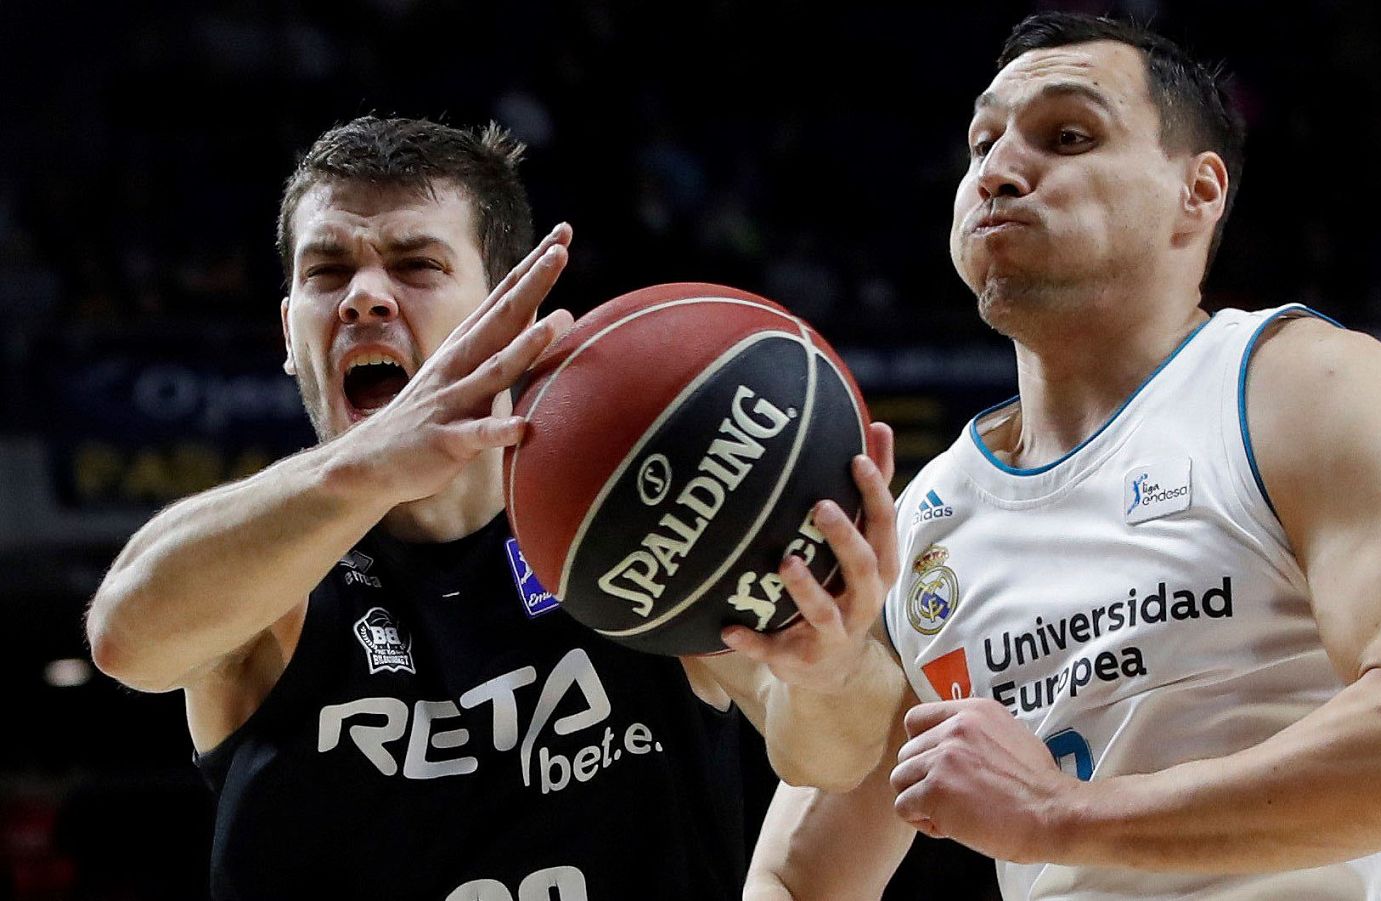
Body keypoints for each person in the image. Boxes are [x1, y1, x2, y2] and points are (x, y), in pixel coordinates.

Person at [746, 13, 1381, 900]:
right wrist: (829, 678)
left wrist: (1061, 816)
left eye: (1068, 135)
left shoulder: (1300, 386)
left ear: (1198, 192)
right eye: (980, 144)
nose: (997, 170)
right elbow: (797, 872)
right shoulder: (928, 517)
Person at [83, 116, 905, 901]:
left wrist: (832, 673)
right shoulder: (272, 568)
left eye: (416, 265)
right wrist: (361, 468)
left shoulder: (632, 518)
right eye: (326, 272)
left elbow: (833, 754)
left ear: (505, 314)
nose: (364, 298)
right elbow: (128, 637)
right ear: (288, 333)